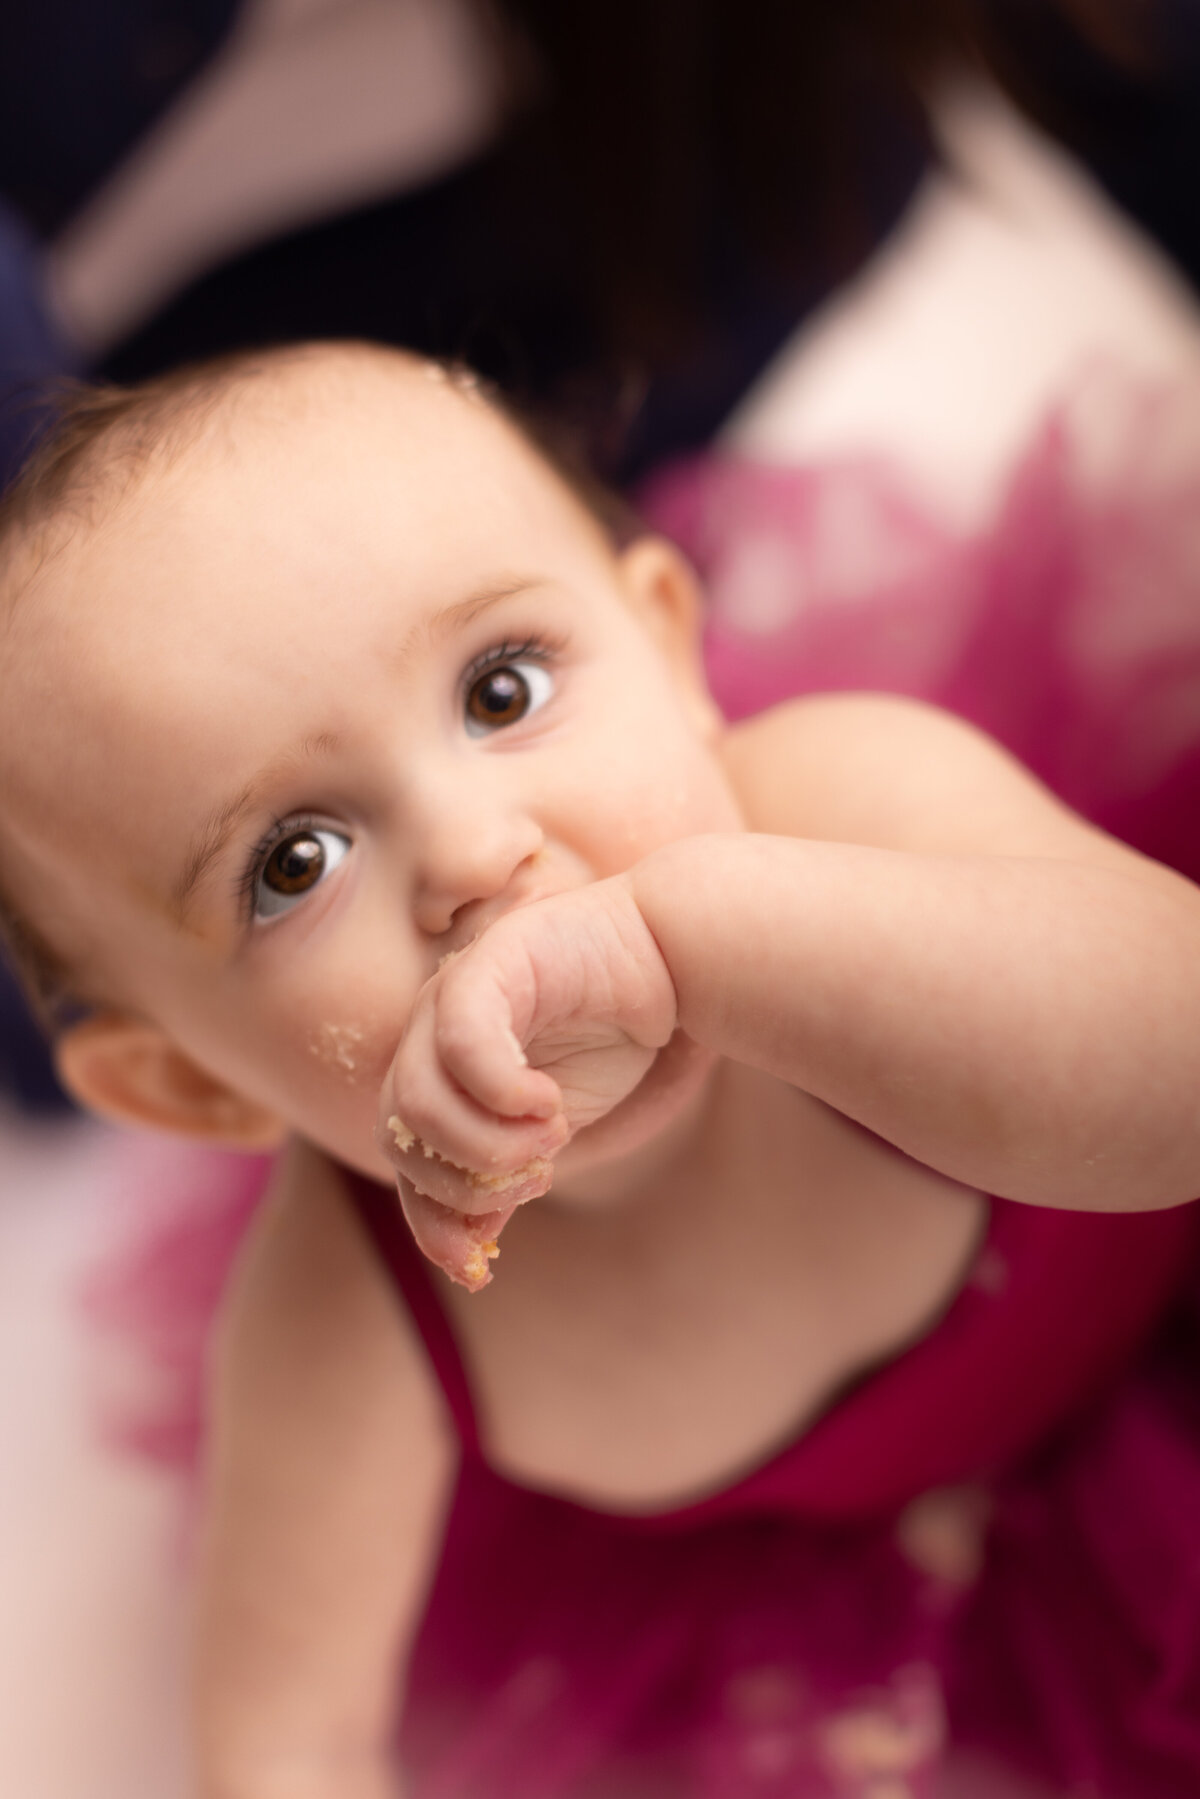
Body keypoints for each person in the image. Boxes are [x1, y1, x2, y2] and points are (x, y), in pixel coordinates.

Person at [4, 339, 1200, 1799]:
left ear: (672, 651)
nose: (469, 854)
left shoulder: (854, 805)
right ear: (200, 1091)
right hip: (875, 1541)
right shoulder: (353, 1319)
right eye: (292, 862)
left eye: (501, 691)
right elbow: (285, 1746)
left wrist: (706, 939)